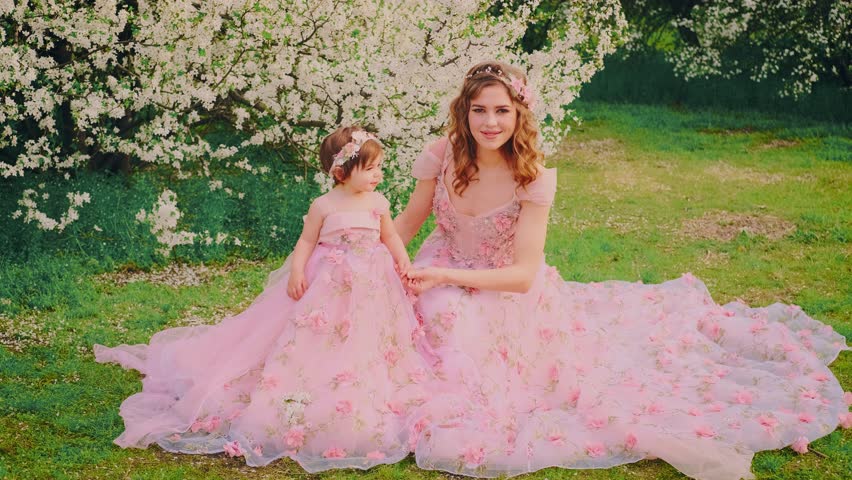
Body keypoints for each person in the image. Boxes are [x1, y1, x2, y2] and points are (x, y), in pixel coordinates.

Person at [396, 61, 851, 480]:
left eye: (501, 110)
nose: (489, 122)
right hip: (440, 266)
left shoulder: (533, 177)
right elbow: (406, 224)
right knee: (409, 304)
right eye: (479, 110)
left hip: (503, 290)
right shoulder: (443, 153)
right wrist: (376, 257)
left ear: (519, 115)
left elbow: (522, 275)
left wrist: (446, 279)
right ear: (464, 111)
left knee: (446, 313)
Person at [94, 126, 432, 472]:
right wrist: (298, 271)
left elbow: (389, 235)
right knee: (321, 331)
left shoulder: (378, 202)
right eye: (372, 168)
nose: (380, 174)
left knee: (370, 331)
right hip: (329, 283)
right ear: (341, 171)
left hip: (373, 282)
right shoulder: (325, 205)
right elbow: (305, 242)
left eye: (381, 167)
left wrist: (402, 261)